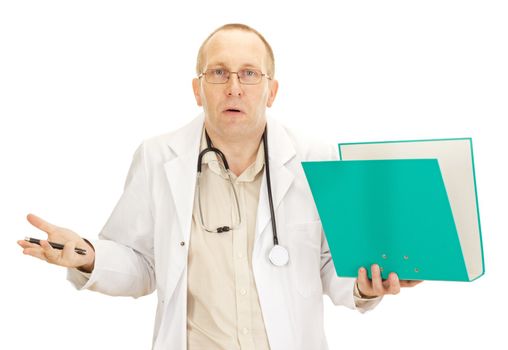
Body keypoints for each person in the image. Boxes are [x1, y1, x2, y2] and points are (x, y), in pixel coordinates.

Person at [18, 23, 421, 350]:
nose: (233, 87)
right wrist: (89, 258)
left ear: (271, 90)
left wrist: (365, 285)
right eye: (218, 72)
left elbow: (332, 263)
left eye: (249, 73)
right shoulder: (159, 157)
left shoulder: (315, 158)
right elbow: (143, 264)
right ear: (197, 89)